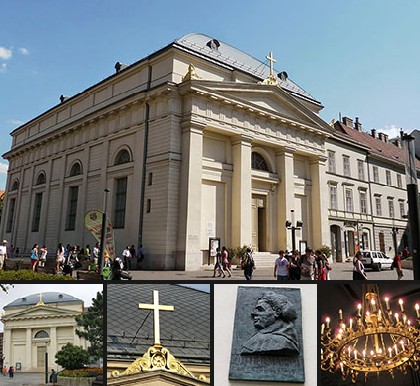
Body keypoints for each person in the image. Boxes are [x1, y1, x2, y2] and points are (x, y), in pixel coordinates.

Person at [241, 291, 300, 356]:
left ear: (277, 312)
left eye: (260, 309)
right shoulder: (257, 338)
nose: (253, 313)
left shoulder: (283, 342)